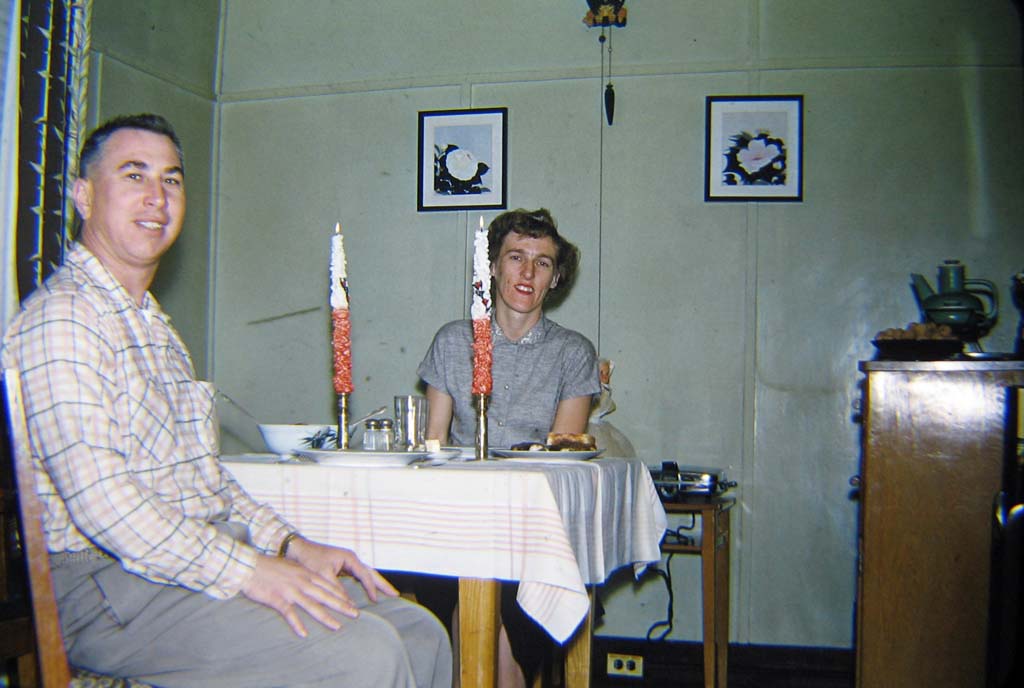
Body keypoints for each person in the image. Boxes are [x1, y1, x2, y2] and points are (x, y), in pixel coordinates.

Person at [1, 113, 451, 688]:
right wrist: (249, 571)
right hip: (107, 592)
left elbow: (207, 484)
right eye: (133, 176)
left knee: (419, 633)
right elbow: (103, 505)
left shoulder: (152, 327)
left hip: (179, 568)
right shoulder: (64, 318)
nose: (156, 198)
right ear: (84, 196)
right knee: (362, 652)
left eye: (171, 180)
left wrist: (289, 545)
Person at [416, 208, 601, 687]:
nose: (526, 272)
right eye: (515, 257)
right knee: (468, 589)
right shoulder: (454, 341)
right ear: (492, 266)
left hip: (532, 528)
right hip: (455, 522)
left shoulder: (573, 353)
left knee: (496, 607)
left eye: (542, 263)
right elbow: (431, 448)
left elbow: (563, 461)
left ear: (556, 278)